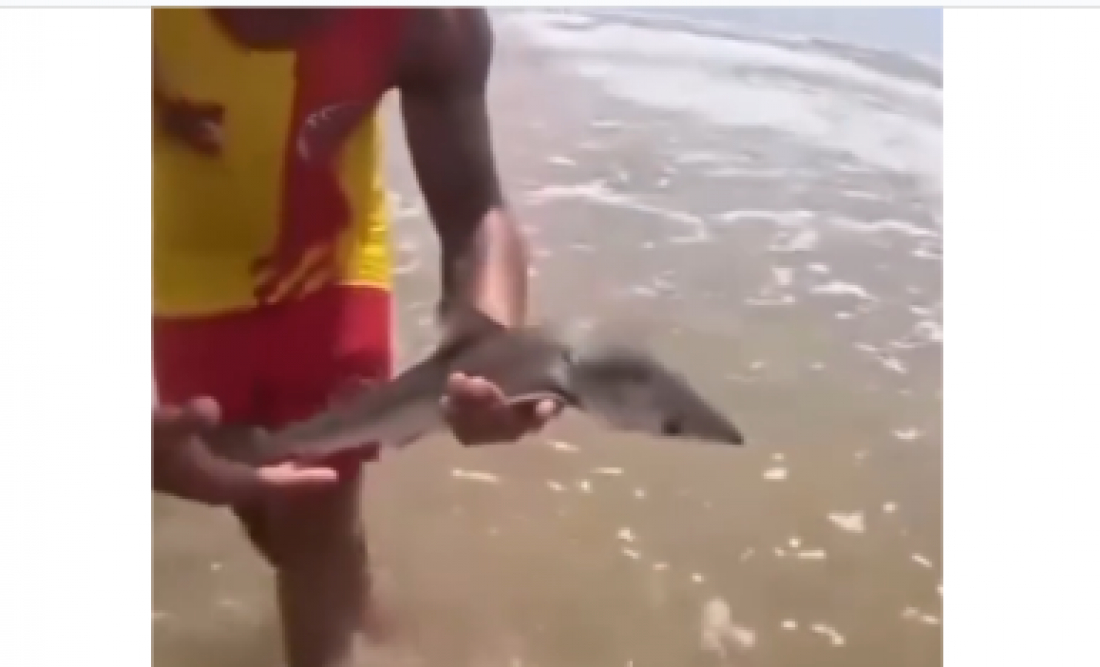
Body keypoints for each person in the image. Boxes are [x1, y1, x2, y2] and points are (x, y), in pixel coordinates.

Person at [153, 8, 558, 667]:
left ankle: (336, 598)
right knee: (254, 500)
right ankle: (354, 590)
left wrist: (495, 355)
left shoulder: (429, 20)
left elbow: (476, 210)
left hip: (329, 262)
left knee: (314, 511)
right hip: (183, 269)